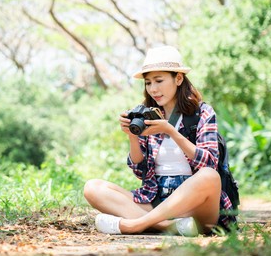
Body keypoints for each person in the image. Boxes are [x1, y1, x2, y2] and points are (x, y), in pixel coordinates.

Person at [83, 45, 236, 236]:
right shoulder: (147, 114)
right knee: (93, 188)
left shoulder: (202, 112)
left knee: (209, 176)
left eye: (159, 80)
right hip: (156, 198)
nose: (153, 89)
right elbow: (140, 171)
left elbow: (209, 162)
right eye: (148, 83)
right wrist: (133, 136)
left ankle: (134, 225)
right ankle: (166, 226)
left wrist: (171, 131)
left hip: (195, 205)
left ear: (178, 79)